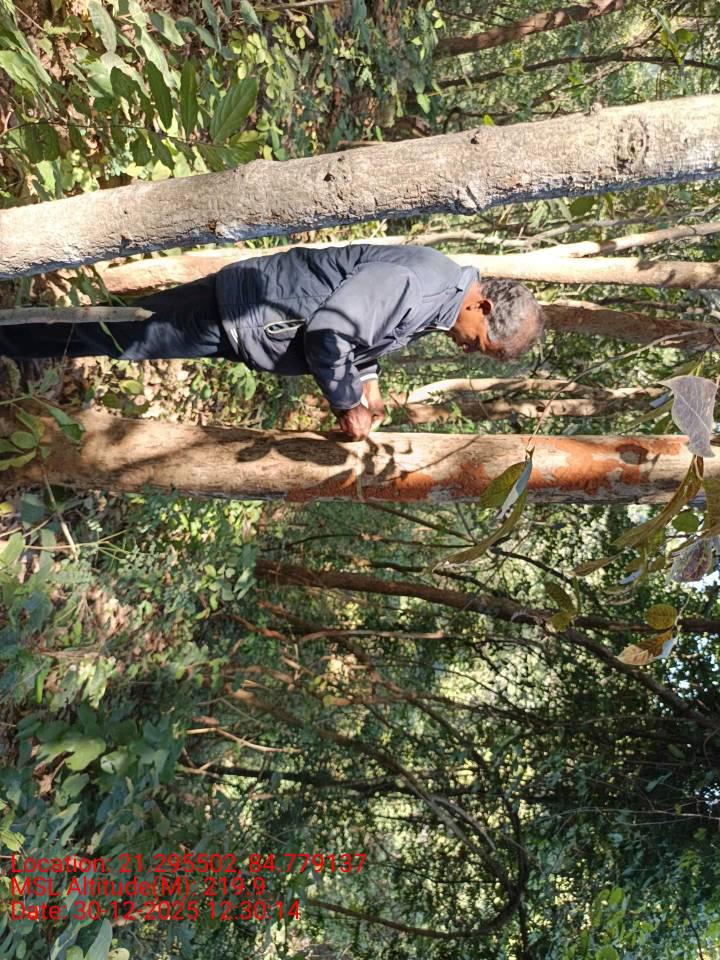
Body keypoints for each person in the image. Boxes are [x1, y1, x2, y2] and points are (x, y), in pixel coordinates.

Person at [0, 244, 544, 439]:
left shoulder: (438, 300)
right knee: (115, 334)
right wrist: (347, 403)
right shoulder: (421, 286)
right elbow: (331, 330)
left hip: (247, 321)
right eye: (478, 345)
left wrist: (369, 384)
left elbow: (364, 333)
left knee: (117, 333)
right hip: (240, 310)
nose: (467, 349)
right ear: (483, 308)